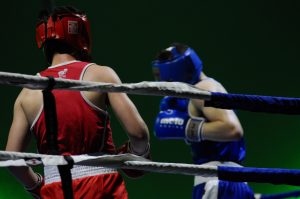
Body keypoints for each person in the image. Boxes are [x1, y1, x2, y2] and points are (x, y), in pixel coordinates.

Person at [5, 6, 150, 199]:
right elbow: (138, 134)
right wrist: (138, 154)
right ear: (80, 33)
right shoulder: (99, 74)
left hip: (55, 188)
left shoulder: (27, 93)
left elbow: (12, 160)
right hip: (100, 184)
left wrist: (37, 186)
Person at [152, 43, 254, 199]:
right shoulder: (199, 91)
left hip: (219, 181)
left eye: (163, 75)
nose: (163, 82)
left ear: (177, 72)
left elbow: (233, 129)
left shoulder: (204, 87)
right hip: (221, 180)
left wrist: (186, 127)